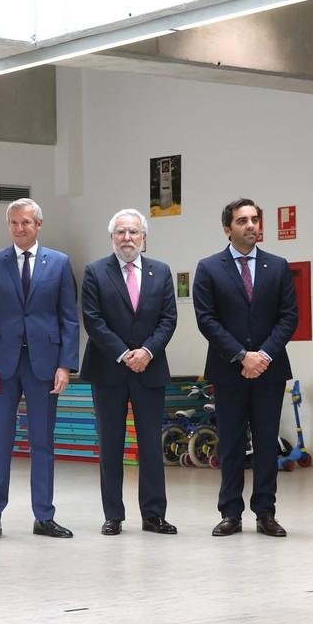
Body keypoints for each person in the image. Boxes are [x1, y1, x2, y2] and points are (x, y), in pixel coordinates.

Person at [0, 197, 81, 540]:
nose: (20, 229)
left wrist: (66, 365)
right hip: (1, 367)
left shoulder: (60, 264)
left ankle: (44, 517)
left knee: (43, 443)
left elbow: (69, 319)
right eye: (14, 223)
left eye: (26, 223)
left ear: (39, 225)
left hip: (44, 367)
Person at [192, 198, 298, 537]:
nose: (251, 225)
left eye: (254, 219)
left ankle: (265, 512)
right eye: (242, 220)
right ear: (228, 228)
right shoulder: (209, 268)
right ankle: (231, 513)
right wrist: (241, 356)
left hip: (269, 369)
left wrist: (262, 355)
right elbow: (206, 320)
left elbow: (288, 317)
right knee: (232, 443)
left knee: (267, 443)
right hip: (228, 370)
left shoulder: (278, 266)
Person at [80, 209, 178, 535]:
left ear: (144, 237)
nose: (127, 238)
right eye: (121, 232)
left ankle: (153, 515)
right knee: (110, 444)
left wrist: (147, 351)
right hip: (108, 370)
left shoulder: (161, 273)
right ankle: (113, 515)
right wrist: (124, 354)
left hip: (150, 369)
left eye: (133, 232)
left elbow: (168, 319)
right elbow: (93, 320)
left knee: (151, 444)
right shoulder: (95, 272)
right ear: (112, 238)